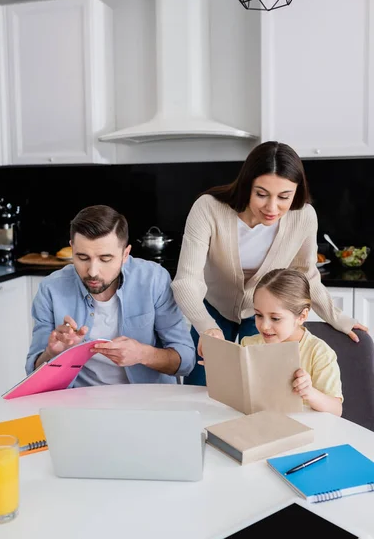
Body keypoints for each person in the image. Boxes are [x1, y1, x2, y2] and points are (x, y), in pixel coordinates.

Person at [171, 141, 367, 386]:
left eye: (284, 196)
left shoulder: (303, 216)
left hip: (263, 314)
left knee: (260, 388)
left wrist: (338, 318)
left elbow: (306, 275)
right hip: (214, 309)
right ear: (246, 186)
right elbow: (187, 281)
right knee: (201, 385)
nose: (272, 208)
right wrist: (206, 327)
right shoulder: (209, 209)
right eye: (261, 194)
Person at [26, 205, 195, 386]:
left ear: (125, 254)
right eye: (82, 257)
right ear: (71, 248)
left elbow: (185, 360)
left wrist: (143, 354)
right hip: (82, 404)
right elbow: (33, 374)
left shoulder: (153, 280)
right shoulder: (51, 289)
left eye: (105, 259)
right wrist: (53, 354)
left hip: (147, 402)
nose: (92, 271)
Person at [242, 268, 343, 416]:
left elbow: (336, 410)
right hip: (260, 427)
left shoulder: (319, 353)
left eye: (275, 318)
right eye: (258, 315)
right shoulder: (248, 345)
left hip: (307, 430)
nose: (264, 326)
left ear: (302, 316)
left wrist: (310, 392)